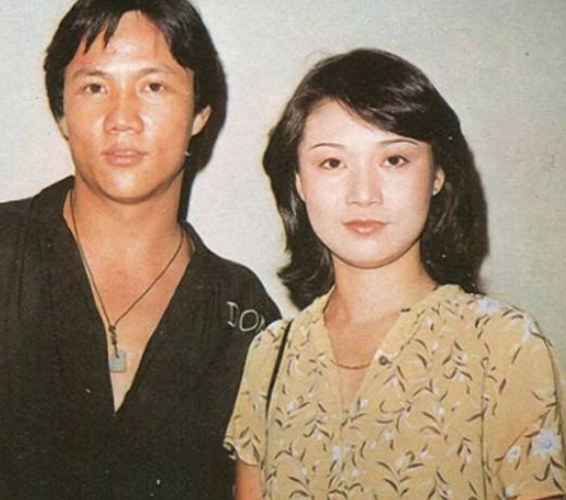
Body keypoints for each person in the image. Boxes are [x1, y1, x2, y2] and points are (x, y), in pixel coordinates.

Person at [0, 1, 280, 499]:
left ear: (199, 114)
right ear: (62, 111)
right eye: (95, 87)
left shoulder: (243, 313)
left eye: (154, 86)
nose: (122, 118)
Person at [225, 48, 566, 500]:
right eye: (332, 163)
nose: (364, 194)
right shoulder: (270, 355)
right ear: (300, 182)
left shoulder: (503, 346)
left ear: (438, 173)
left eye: (394, 160)